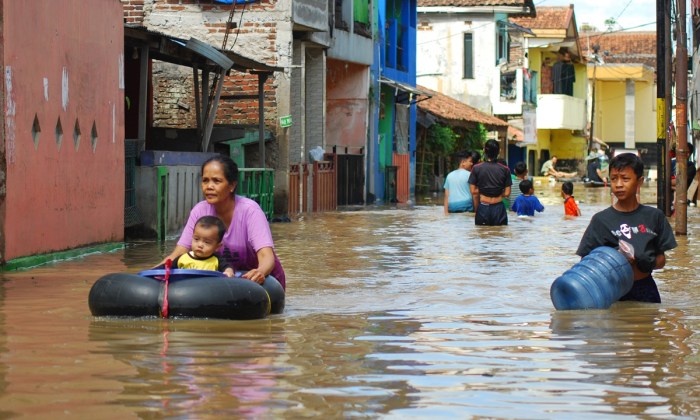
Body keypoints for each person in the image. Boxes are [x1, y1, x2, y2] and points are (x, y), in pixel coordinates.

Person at [160, 155, 286, 289]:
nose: (209, 186)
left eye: (216, 181)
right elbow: (179, 253)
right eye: (205, 180)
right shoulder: (199, 211)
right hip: (225, 284)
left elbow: (266, 255)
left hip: (262, 284)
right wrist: (150, 274)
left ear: (232, 185)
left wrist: (260, 272)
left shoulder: (250, 211)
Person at [576, 153, 677, 303]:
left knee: (647, 325)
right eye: (614, 178)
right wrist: (614, 261)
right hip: (612, 291)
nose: (618, 185)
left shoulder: (654, 216)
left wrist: (644, 261)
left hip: (645, 289)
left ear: (640, 181)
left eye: (625, 178)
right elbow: (585, 262)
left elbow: (661, 260)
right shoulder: (600, 220)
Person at [157, 215, 234, 277]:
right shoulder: (182, 258)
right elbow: (165, 268)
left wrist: (228, 271)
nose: (200, 245)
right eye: (196, 239)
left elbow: (228, 268)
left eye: (207, 242)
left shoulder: (217, 260)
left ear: (217, 247)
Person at [469, 139, 512, 226]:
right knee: (500, 236)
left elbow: (473, 191)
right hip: (499, 208)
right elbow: (507, 193)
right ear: (499, 151)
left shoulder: (476, 168)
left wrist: (484, 190)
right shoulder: (505, 169)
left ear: (484, 150)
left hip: (483, 207)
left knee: (482, 235)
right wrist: (497, 191)